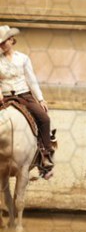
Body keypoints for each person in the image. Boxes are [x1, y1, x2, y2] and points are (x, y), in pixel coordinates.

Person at [0, 25, 54, 169]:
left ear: (11, 40)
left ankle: (45, 154)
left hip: (24, 95)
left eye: (4, 41)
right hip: (5, 97)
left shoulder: (23, 59)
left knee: (44, 118)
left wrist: (40, 99)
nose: (2, 45)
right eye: (0, 43)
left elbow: (31, 80)